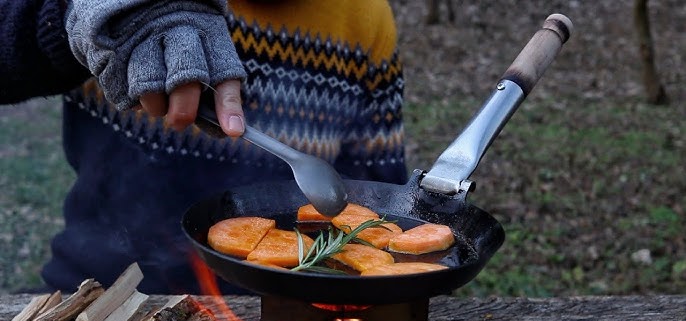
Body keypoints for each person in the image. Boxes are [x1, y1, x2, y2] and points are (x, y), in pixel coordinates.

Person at [1, 0, 407, 294]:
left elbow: (376, 209)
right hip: (96, 297)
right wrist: (74, 12)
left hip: (281, 313)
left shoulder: (364, 15)